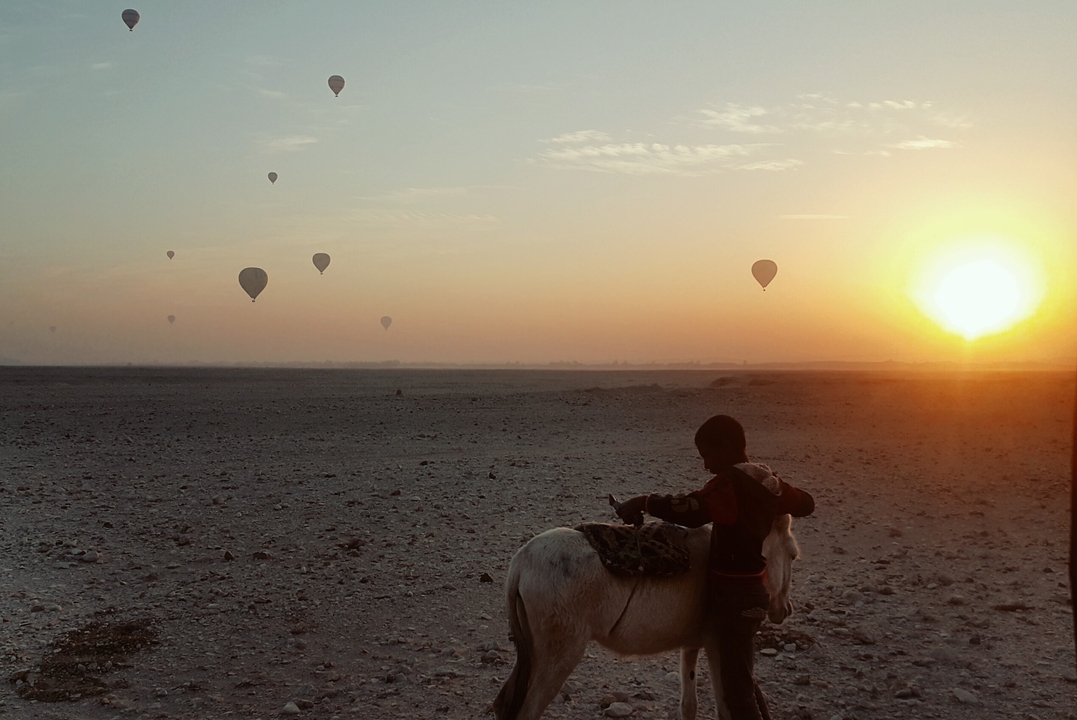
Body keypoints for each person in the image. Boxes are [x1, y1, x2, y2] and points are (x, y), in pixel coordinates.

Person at [615, 414, 814, 720]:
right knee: (741, 674)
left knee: (735, 693)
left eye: (708, 455)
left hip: (732, 598)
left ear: (727, 445)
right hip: (754, 592)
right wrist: (773, 491)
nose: (706, 465)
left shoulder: (729, 486)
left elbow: (691, 509)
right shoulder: (766, 481)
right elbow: (806, 504)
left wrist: (643, 502)